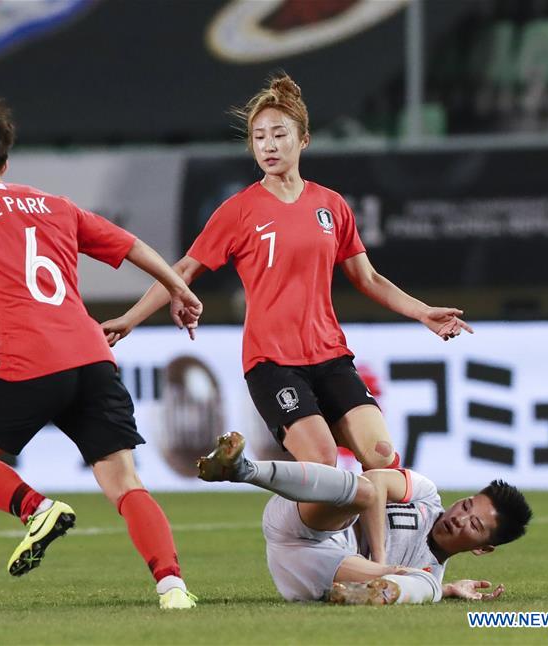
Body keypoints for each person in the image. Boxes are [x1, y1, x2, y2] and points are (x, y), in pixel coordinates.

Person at [0, 94, 201, 609]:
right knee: (124, 480)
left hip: (28, 361)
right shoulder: (54, 204)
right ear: (4, 162)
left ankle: (35, 509)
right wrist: (178, 287)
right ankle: (172, 587)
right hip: (92, 356)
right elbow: (131, 245)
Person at [102, 74, 473, 471]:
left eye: (279, 134)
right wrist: (130, 319)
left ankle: (374, 538)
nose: (268, 145)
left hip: (330, 355)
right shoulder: (239, 210)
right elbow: (184, 270)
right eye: (259, 137)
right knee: (323, 461)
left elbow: (368, 279)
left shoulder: (331, 205)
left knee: (383, 458)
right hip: (272, 361)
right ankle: (294, 532)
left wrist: (423, 313)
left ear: (304, 140)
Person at [197, 432, 532, 605]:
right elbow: (378, 477)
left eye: (474, 525)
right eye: (467, 505)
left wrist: (446, 588)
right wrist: (385, 562)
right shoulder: (426, 496)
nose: (460, 518)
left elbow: (427, 583)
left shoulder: (429, 574)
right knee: (364, 490)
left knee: (427, 585)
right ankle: (243, 469)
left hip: (314, 572)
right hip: (306, 523)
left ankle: (369, 594)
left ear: (482, 549)